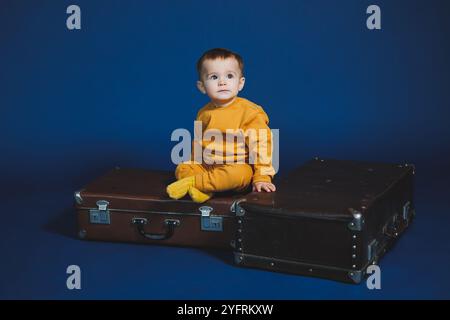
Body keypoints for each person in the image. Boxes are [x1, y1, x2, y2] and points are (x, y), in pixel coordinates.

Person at [166, 48, 276, 203]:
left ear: (240, 83)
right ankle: (206, 189)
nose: (222, 82)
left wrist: (262, 177)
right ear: (202, 86)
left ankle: (193, 184)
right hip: (208, 166)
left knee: (238, 174)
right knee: (183, 168)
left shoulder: (249, 112)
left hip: (236, 166)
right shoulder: (203, 113)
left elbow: (262, 145)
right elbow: (198, 143)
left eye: (230, 76)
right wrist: (194, 161)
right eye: (214, 77)